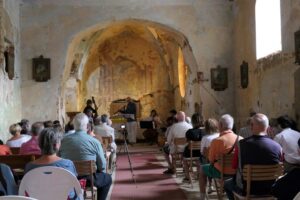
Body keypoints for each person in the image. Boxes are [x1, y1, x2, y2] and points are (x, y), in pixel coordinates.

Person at [224, 113, 282, 200]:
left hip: (247, 189)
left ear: (251, 126)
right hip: (271, 189)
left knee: (227, 184)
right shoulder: (277, 146)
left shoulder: (241, 145)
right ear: (268, 127)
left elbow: (234, 166)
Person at [59, 113, 112, 200]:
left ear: (74, 125)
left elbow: (59, 158)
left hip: (68, 178)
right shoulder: (94, 142)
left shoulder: (63, 141)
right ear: (87, 126)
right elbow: (102, 165)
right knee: (107, 179)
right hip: (88, 179)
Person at [24, 127, 78, 199]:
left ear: (40, 145)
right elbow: (74, 186)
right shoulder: (67, 164)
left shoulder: (29, 167)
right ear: (56, 145)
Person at [199, 114, 239, 200]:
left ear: (220, 125)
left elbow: (211, 160)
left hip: (221, 172)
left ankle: (202, 197)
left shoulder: (217, 141)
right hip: (237, 172)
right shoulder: (241, 139)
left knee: (202, 169)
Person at [199, 118, 220, 193]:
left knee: (204, 161)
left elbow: (202, 152)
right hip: (221, 162)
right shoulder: (220, 136)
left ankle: (210, 185)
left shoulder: (205, 138)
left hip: (211, 162)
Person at [182, 113, 204, 181]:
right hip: (202, 153)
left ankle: (187, 176)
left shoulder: (190, 132)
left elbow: (186, 142)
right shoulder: (206, 131)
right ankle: (198, 174)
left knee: (184, 158)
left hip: (191, 154)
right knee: (199, 159)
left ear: (193, 121)